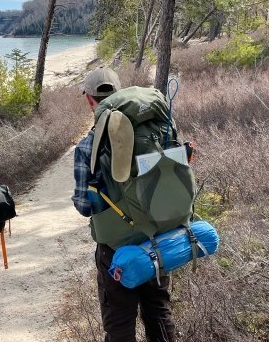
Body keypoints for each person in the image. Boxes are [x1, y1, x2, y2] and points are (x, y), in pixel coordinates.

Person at [72, 68, 176, 341]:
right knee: (159, 313)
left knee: (119, 324)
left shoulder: (88, 146)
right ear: (119, 95)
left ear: (89, 100)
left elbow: (84, 207)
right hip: (158, 238)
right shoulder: (154, 130)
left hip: (116, 251)